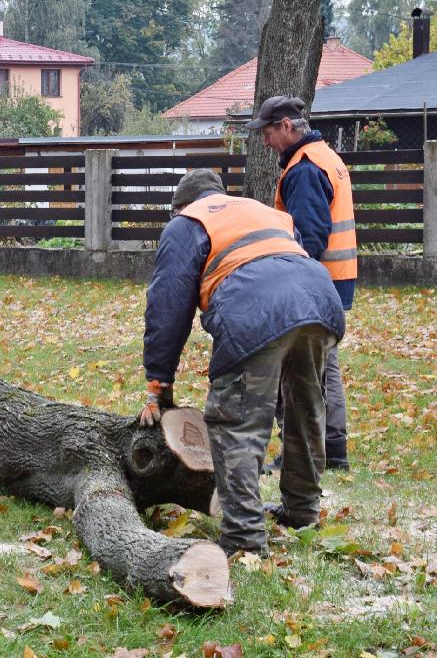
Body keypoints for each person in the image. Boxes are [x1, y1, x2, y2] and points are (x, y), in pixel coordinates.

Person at [138, 169, 345, 557]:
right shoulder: (261, 211)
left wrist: (158, 384)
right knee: (305, 413)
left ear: (181, 206)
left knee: (236, 422)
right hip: (319, 299)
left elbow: (166, 306)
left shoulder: (188, 223)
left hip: (256, 309)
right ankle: (302, 512)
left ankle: (244, 538)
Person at [246, 95, 357, 470]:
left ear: (288, 127)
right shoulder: (326, 157)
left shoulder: (306, 168)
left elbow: (308, 238)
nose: (265, 142)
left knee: (304, 372)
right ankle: (332, 450)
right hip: (332, 280)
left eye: (268, 132)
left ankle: (315, 452)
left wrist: (289, 283)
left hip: (313, 283)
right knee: (325, 367)